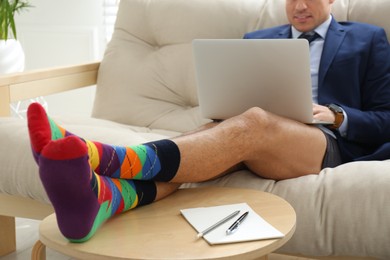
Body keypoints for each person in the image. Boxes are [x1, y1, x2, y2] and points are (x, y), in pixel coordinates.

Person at [26, 0, 390, 243]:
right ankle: (102, 198)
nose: (298, 6)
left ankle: (103, 157)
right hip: (249, 132)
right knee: (213, 135)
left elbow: (384, 118)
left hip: (323, 142)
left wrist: (337, 115)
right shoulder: (258, 39)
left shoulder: (367, 38)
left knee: (253, 122)